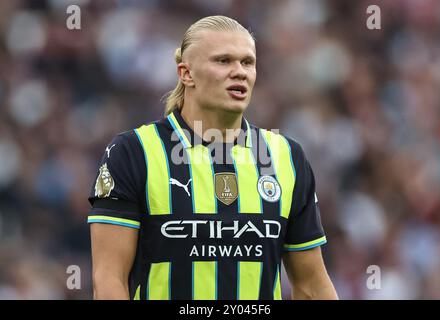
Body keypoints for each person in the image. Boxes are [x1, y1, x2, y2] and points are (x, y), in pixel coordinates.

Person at [88, 15, 338, 300]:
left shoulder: (286, 157)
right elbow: (108, 281)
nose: (240, 72)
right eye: (223, 61)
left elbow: (312, 286)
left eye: (247, 62)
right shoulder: (133, 152)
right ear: (186, 73)